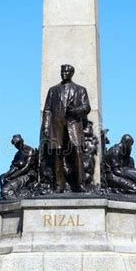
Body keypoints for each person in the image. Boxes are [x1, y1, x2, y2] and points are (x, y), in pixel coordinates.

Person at [40, 64, 91, 192]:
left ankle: (80, 184)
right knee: (57, 155)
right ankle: (59, 185)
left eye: (66, 71)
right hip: (57, 127)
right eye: (62, 71)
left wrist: (74, 111)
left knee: (77, 153)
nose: (63, 73)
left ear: (71, 73)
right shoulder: (53, 90)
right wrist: (46, 126)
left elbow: (86, 107)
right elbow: (47, 110)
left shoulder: (80, 89)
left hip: (74, 126)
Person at [0, 134, 38, 199]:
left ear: (22, 142)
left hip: (27, 175)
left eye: (17, 143)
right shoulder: (17, 154)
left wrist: (12, 176)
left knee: (5, 190)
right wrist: (8, 174)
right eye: (15, 144)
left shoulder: (29, 150)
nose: (16, 146)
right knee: (2, 177)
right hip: (16, 173)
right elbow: (13, 166)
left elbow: (26, 168)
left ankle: (8, 194)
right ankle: (3, 197)